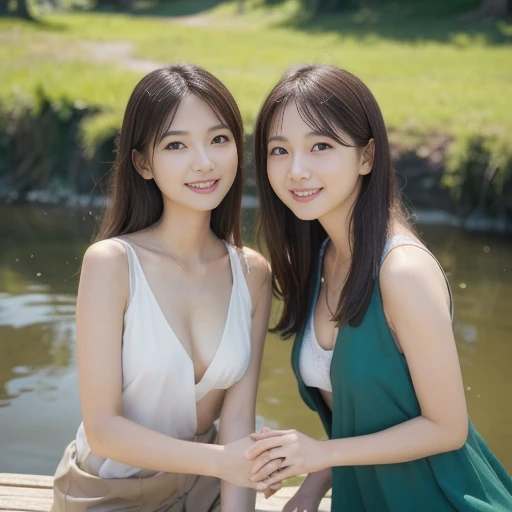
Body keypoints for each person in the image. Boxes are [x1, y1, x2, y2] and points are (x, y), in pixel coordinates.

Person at [245, 63, 512, 511]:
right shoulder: (321, 256)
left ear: (367, 156)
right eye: (279, 150)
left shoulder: (402, 272)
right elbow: (363, 417)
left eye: (321, 146)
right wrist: (314, 482)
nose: (296, 170)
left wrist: (321, 453)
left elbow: (447, 427)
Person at [51, 63, 277, 512]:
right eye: (176, 144)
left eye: (219, 139)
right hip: (110, 494)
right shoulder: (113, 264)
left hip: (206, 489)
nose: (204, 162)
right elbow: (104, 430)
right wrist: (222, 462)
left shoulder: (252, 273)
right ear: (143, 163)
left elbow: (236, 421)